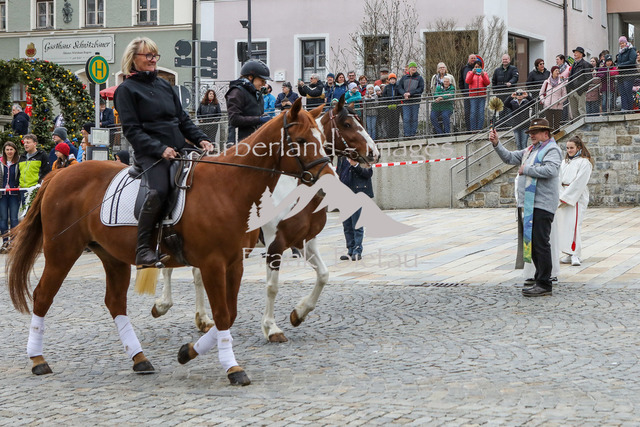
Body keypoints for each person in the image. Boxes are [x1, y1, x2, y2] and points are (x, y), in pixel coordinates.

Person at [113, 37, 213, 268]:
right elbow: (132, 130)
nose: (153, 60)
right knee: (159, 190)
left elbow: (183, 120)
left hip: (178, 148)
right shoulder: (126, 90)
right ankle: (142, 249)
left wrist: (202, 138)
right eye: (148, 55)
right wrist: (160, 149)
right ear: (133, 59)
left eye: (155, 55)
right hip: (150, 153)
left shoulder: (164, 85)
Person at [489, 118, 561, 296]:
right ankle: (539, 279)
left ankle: (545, 283)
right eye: (530, 133)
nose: (532, 136)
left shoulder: (552, 149)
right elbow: (509, 157)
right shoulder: (530, 150)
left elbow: (551, 170)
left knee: (540, 244)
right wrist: (497, 143)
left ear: (546, 133)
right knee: (534, 243)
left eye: (535, 133)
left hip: (542, 204)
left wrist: (527, 169)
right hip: (530, 204)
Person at [554, 135, 593, 267]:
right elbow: (558, 179)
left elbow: (580, 182)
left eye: (572, 148)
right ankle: (569, 252)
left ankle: (576, 253)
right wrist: (560, 194)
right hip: (563, 193)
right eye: (567, 148)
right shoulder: (564, 162)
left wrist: (567, 197)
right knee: (564, 224)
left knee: (574, 224)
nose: (569, 150)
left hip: (576, 196)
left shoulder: (584, 163)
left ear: (578, 148)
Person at [225, 59, 272, 144]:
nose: (264, 84)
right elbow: (234, 119)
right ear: (250, 77)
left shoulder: (257, 93)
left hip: (255, 140)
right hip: (239, 142)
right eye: (262, 80)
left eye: (265, 81)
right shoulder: (237, 92)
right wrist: (259, 119)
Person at [336, 156, 373, 261]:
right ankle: (350, 250)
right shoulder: (342, 157)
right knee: (347, 225)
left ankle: (357, 250)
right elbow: (339, 173)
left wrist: (355, 165)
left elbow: (368, 173)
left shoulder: (362, 155)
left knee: (356, 224)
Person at [0, 141, 21, 253]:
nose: (9, 152)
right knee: (3, 219)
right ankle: (5, 242)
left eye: (11, 149)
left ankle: (13, 243)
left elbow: (21, 175)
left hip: (14, 194)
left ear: (15, 150)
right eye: (7, 149)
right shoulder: (0, 162)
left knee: (14, 219)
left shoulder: (18, 162)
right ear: (4, 151)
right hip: (2, 195)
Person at [398, 61, 425, 137]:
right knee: (406, 119)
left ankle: (413, 134)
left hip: (415, 101)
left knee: (414, 118)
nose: (413, 68)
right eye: (412, 67)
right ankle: (407, 135)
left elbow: (420, 89)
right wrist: (404, 93)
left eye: (415, 67)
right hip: (406, 101)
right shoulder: (404, 78)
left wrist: (410, 93)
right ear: (409, 69)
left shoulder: (419, 78)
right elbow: (399, 88)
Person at [491, 54, 519, 124]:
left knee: (509, 110)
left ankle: (510, 125)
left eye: (506, 59)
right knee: (501, 111)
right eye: (503, 59)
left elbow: (515, 77)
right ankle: (502, 126)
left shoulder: (513, 69)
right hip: (500, 94)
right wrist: (495, 90)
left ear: (509, 60)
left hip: (509, 94)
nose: (504, 61)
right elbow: (494, 81)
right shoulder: (497, 70)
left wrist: (510, 83)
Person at [539, 66, 567, 132]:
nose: (557, 72)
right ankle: (550, 137)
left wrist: (559, 101)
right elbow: (541, 93)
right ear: (552, 72)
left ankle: (556, 137)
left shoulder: (561, 82)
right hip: (548, 106)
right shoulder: (546, 82)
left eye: (558, 71)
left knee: (557, 125)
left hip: (558, 106)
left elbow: (565, 95)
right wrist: (544, 101)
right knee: (549, 124)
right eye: (556, 71)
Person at [567, 46, 593, 119]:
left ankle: (584, 125)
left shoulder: (585, 64)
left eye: (576, 52)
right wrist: (569, 89)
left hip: (580, 91)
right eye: (574, 52)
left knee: (581, 110)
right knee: (574, 112)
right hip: (572, 90)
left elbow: (589, 78)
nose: (574, 54)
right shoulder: (574, 64)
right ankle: (576, 125)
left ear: (581, 54)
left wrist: (582, 89)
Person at [465, 59, 490, 131]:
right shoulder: (470, 73)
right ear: (473, 67)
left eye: (478, 67)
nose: (477, 68)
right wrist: (472, 73)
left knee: (481, 113)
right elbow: (467, 81)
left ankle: (479, 129)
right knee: (473, 112)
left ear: (481, 68)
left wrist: (483, 75)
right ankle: (473, 129)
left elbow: (487, 83)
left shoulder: (484, 73)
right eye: (475, 67)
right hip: (473, 96)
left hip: (482, 96)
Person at [615, 36, 638, 111]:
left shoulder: (631, 50)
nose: (621, 45)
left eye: (623, 43)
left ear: (626, 42)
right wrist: (617, 65)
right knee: (622, 92)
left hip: (629, 73)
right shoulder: (620, 52)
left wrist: (620, 65)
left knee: (628, 91)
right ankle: (624, 108)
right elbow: (619, 62)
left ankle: (630, 108)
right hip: (621, 74)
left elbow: (632, 61)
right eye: (620, 43)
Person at [459, 54, 477, 132]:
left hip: (476, 94)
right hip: (467, 94)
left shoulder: (479, 69)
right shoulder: (464, 68)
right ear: (468, 59)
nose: (473, 59)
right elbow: (461, 81)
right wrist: (463, 92)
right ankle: (469, 129)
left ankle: (476, 129)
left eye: (474, 58)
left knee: (475, 112)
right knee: (467, 112)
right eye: (471, 58)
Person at [381, 73, 402, 139]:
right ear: (389, 80)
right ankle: (390, 136)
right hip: (389, 107)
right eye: (391, 79)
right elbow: (384, 96)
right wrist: (387, 103)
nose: (392, 81)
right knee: (389, 122)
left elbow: (400, 96)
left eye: (394, 79)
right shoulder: (387, 87)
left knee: (396, 121)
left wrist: (397, 103)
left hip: (396, 107)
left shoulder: (397, 87)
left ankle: (396, 136)